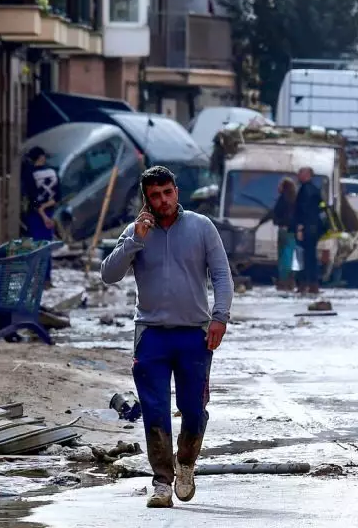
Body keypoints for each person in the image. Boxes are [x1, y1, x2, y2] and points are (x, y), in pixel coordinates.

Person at [100, 166, 233, 509]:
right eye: (155, 196)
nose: (162, 201)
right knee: (155, 410)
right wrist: (134, 240)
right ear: (146, 199)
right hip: (151, 336)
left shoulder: (201, 227)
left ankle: (185, 463)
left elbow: (221, 275)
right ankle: (161, 481)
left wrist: (220, 317)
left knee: (193, 409)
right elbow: (109, 274)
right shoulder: (135, 232)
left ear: (177, 191)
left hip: (194, 335)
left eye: (167, 193)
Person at [254, 177, 297, 292]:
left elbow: (273, 213)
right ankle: (290, 281)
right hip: (293, 232)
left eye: (280, 185)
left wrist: (260, 223)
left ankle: (284, 281)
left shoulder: (283, 199)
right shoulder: (295, 199)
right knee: (290, 256)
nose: (278, 187)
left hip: (283, 230)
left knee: (283, 257)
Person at [293, 167, 325, 295]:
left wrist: (300, 227)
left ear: (307, 175)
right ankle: (312, 283)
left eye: (300, 173)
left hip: (307, 228)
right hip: (314, 228)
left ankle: (306, 284)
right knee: (311, 257)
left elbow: (303, 210)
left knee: (305, 258)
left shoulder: (305, 190)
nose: (298, 175)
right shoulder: (315, 190)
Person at [21, 147, 59, 242]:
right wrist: (45, 210)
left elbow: (32, 197)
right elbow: (57, 196)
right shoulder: (53, 172)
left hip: (35, 214)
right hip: (49, 212)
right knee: (47, 243)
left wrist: (42, 212)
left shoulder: (29, 173)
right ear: (42, 157)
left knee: (36, 244)